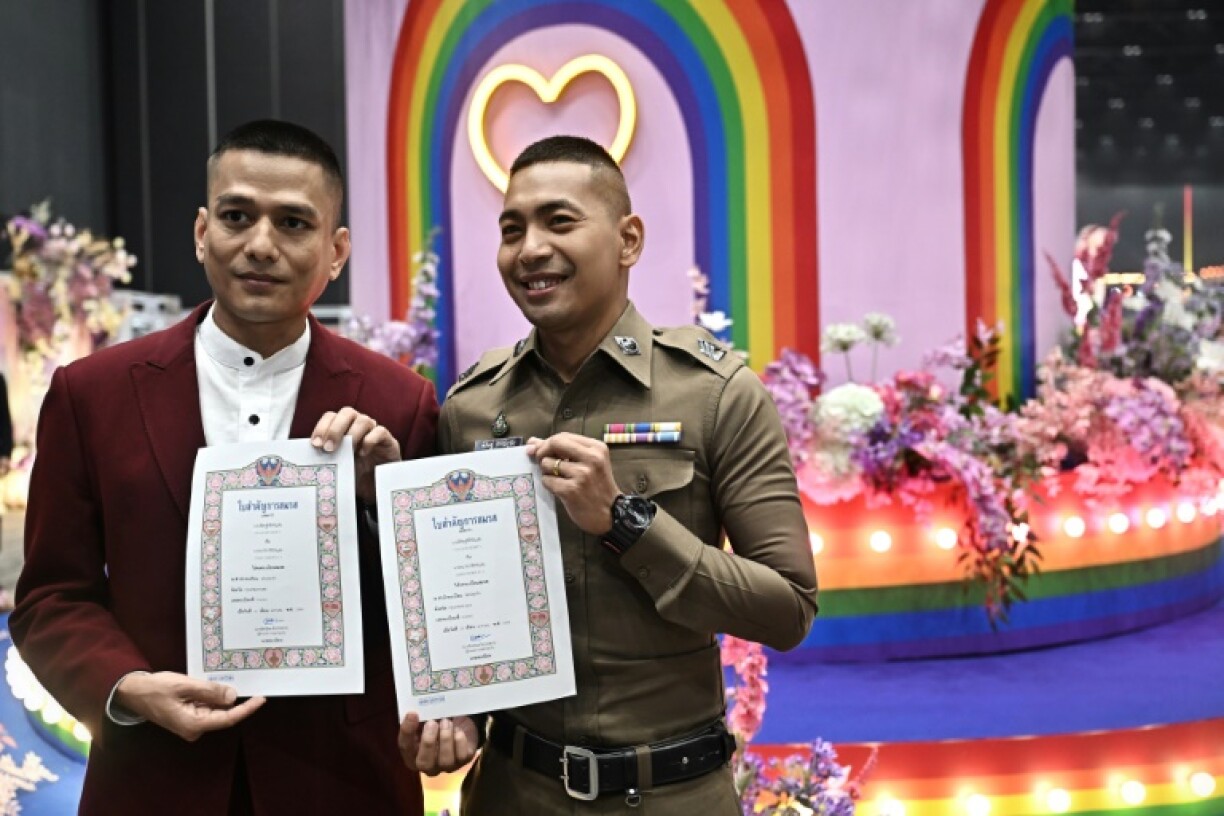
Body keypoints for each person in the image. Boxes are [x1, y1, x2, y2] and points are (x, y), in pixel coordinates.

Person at [11, 120, 437, 815]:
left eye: (294, 222)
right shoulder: (93, 394)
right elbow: (52, 596)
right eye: (238, 216)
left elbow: (430, 609)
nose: (260, 245)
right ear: (203, 231)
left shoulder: (399, 403)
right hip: (153, 779)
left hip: (341, 784)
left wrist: (378, 499)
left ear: (336, 252)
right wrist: (126, 686)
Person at [399, 135, 819, 813]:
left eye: (559, 221)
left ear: (628, 240)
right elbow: (461, 615)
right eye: (512, 229)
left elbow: (789, 607)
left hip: (672, 793)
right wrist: (457, 716)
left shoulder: (715, 395)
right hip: (514, 792)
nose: (530, 247)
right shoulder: (474, 407)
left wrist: (627, 522)